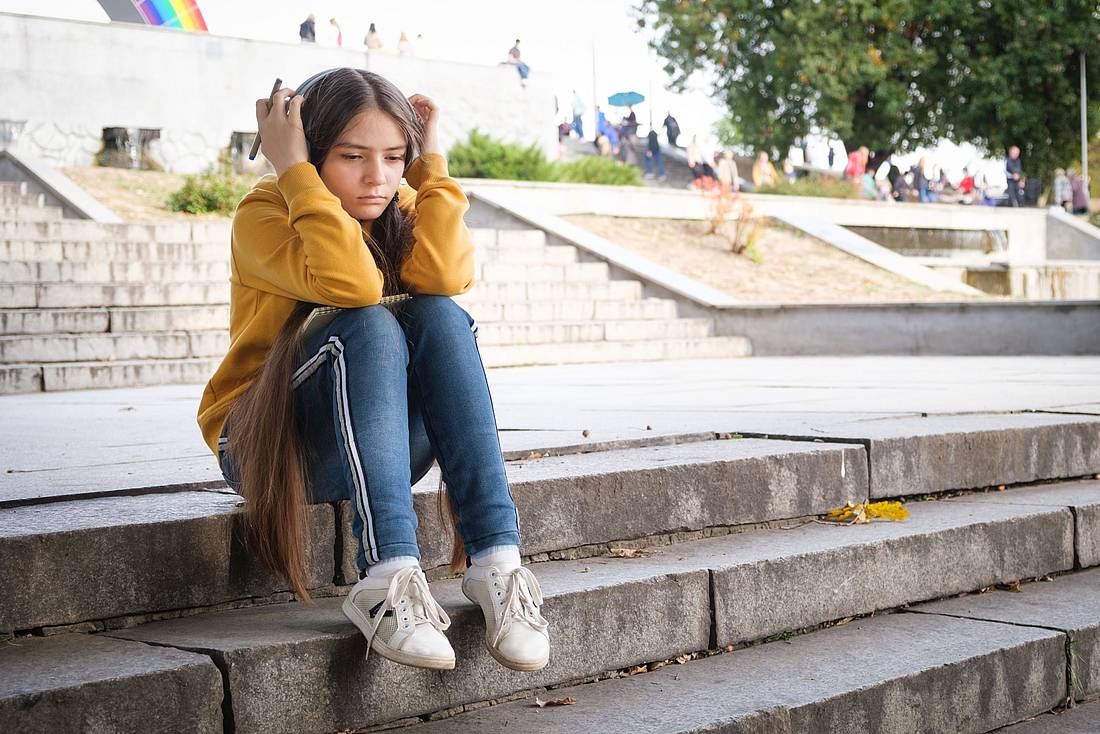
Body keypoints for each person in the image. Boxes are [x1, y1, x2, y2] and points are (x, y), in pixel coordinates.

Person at [200, 68, 550, 674]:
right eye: (352, 156)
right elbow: (353, 286)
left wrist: (431, 162)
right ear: (310, 152)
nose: (378, 177)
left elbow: (445, 275)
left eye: (393, 157)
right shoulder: (264, 214)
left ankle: (497, 561)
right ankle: (387, 578)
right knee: (368, 324)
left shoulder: (398, 201)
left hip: (375, 445)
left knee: (440, 315)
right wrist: (294, 175)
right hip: (269, 444)